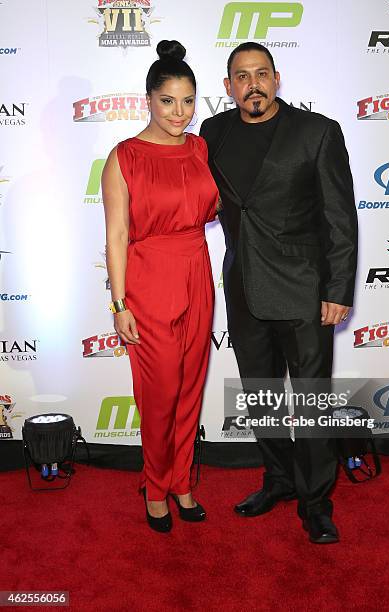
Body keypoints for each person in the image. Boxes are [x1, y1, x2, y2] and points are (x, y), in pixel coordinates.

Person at [200, 42, 358, 544]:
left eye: (262, 73)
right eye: (242, 76)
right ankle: (278, 479)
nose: (253, 84)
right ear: (228, 88)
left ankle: (316, 502)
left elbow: (339, 217)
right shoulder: (212, 132)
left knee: (311, 402)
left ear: (277, 78)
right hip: (244, 286)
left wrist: (337, 288)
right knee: (261, 395)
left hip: (305, 290)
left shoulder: (317, 132)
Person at [102, 40, 219, 533]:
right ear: (147, 99)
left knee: (190, 388)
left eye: (188, 100)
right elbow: (117, 235)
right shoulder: (123, 157)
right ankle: (154, 488)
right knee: (161, 393)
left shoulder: (200, 147)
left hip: (197, 270)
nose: (180, 112)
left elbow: (215, 206)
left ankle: (181, 482)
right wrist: (119, 302)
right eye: (169, 100)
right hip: (149, 280)